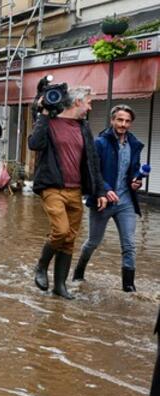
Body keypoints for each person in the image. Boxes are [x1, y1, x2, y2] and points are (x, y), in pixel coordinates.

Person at [29, 86, 107, 299]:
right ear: (77, 102)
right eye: (89, 102)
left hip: (76, 190)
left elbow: (93, 162)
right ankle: (41, 266)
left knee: (70, 238)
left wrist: (99, 190)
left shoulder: (84, 127)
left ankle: (60, 286)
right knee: (61, 231)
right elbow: (34, 144)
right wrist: (43, 113)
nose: (90, 106)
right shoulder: (49, 122)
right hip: (52, 187)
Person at [71, 105, 143, 292]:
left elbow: (134, 169)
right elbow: (92, 172)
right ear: (112, 120)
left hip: (125, 202)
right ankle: (79, 272)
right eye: (120, 120)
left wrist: (136, 181)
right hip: (102, 201)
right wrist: (105, 189)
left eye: (127, 121)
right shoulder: (100, 143)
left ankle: (129, 287)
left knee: (129, 245)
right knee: (93, 242)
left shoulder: (135, 144)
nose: (123, 124)